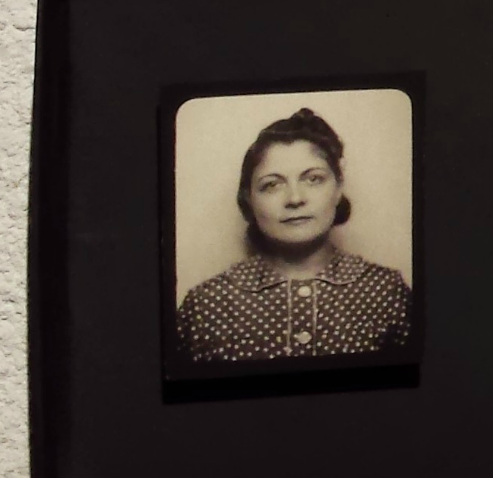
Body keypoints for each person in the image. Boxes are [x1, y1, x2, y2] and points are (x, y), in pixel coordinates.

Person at [174, 107, 415, 365]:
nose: (295, 198)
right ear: (249, 199)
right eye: (272, 185)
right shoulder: (205, 305)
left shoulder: (387, 293)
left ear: (338, 188)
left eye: (313, 179)